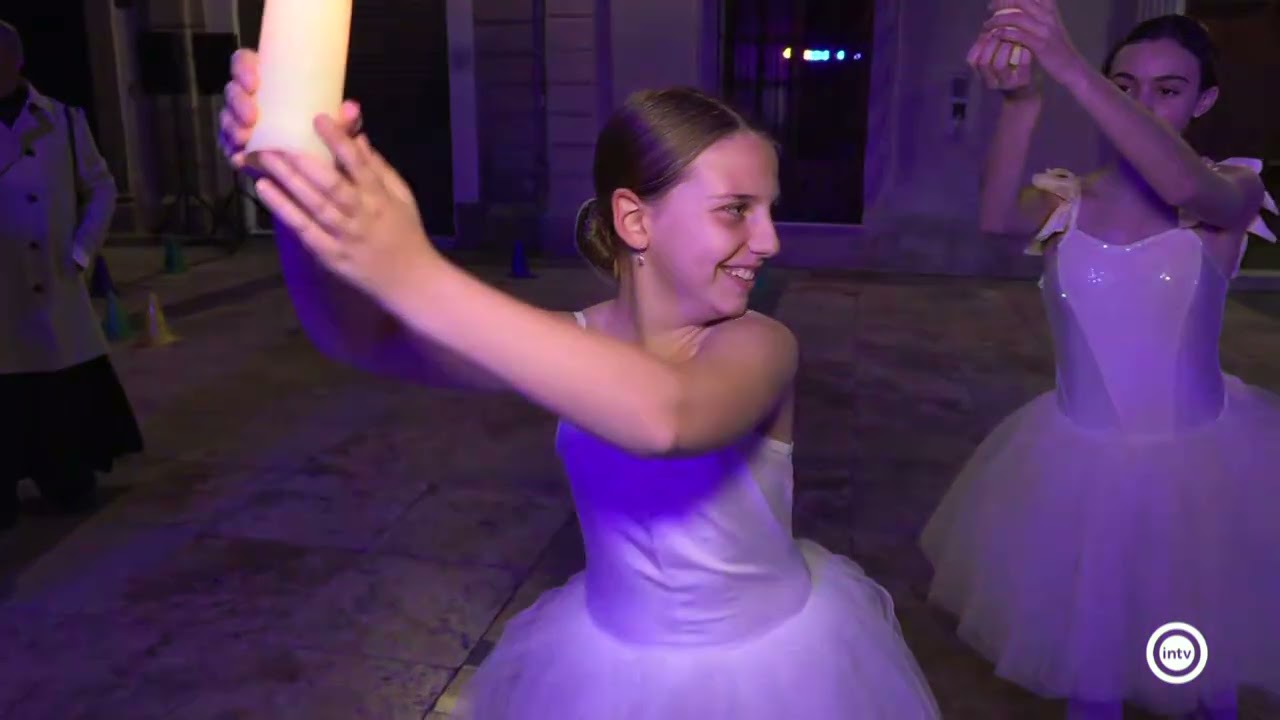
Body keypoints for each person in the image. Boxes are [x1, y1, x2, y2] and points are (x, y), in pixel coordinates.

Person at [219, 49, 941, 718]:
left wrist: (414, 272)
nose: (770, 240)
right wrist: (294, 198)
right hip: (608, 671)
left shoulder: (760, 344)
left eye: (768, 210)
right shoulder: (570, 342)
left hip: (773, 673)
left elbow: (668, 417)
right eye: (736, 210)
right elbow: (358, 338)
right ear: (636, 220)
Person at [920, 4, 1278, 719]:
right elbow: (994, 216)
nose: (1142, 104)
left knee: (1199, 658)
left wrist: (1071, 65)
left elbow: (1184, 189)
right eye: (1125, 85)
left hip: (1197, 469)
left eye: (1168, 90)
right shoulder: (1069, 201)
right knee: (1093, 658)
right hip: (1077, 462)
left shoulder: (1229, 192)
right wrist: (1023, 100)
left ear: (1204, 100)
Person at [0, 20, 143, 529]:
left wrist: (82, 251)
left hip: (53, 279)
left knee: (57, 384)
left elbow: (101, 187)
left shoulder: (61, 119)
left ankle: (65, 474)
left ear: (17, 60)